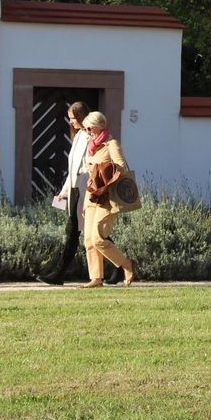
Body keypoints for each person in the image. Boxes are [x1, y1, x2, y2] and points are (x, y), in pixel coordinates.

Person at [80, 111, 138, 288]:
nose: (87, 131)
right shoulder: (92, 146)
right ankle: (96, 278)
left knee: (98, 238)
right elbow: (90, 177)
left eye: (89, 127)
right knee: (88, 240)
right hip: (92, 196)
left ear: (98, 126)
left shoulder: (111, 144)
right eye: (85, 128)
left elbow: (121, 166)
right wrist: (84, 202)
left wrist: (105, 170)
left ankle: (127, 264)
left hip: (107, 197)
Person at [37, 101, 90, 285]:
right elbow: (73, 168)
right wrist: (64, 191)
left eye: (73, 118)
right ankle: (121, 267)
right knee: (77, 231)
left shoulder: (91, 137)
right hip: (76, 188)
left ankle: (59, 273)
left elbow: (88, 168)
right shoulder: (78, 136)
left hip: (86, 188)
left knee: (87, 231)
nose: (71, 122)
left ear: (82, 117)